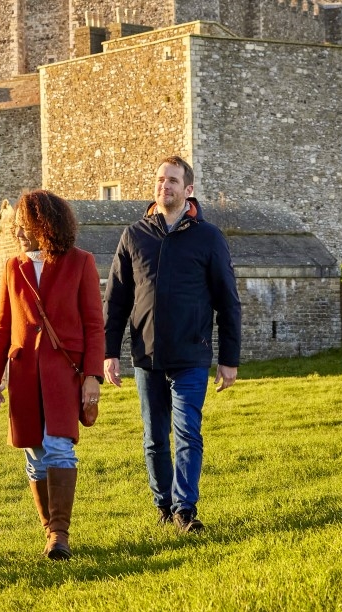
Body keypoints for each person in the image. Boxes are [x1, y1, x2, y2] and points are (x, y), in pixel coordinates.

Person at [103, 156, 241, 534]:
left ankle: (185, 509)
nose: (165, 186)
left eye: (173, 181)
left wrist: (229, 359)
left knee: (187, 433)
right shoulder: (134, 235)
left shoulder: (209, 237)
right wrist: (109, 352)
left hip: (191, 354)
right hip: (146, 357)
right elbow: (116, 301)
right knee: (153, 438)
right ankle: (163, 506)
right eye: (160, 179)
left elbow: (228, 301)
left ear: (188, 190)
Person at [0, 189, 104, 561]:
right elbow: (2, 326)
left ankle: (60, 535)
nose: (18, 232)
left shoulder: (80, 262)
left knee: (58, 447)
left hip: (64, 374)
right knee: (35, 454)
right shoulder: (11, 267)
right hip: (23, 376)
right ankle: (50, 531)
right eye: (17, 226)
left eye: (24, 225)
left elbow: (94, 325)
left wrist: (91, 376)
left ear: (44, 225)